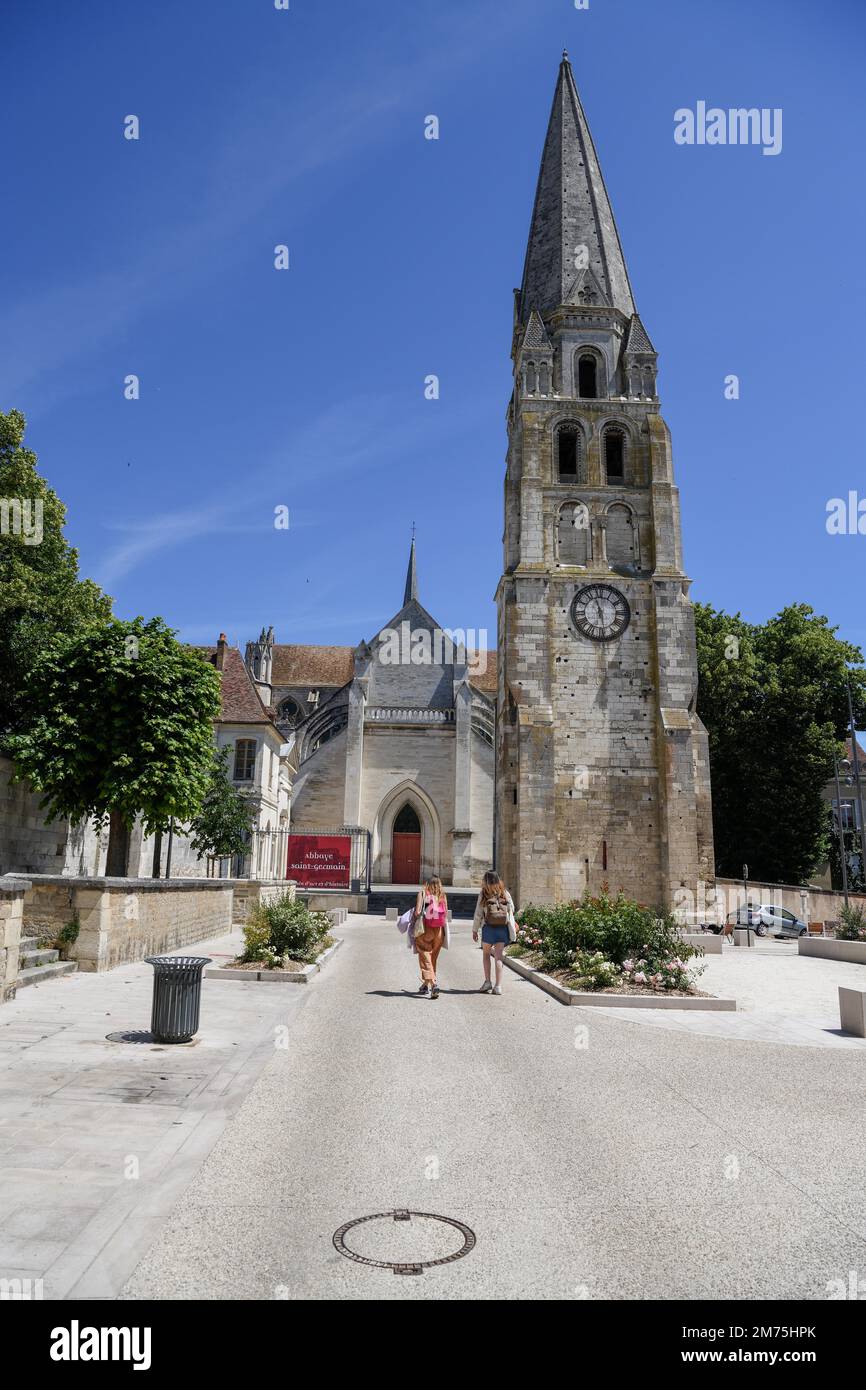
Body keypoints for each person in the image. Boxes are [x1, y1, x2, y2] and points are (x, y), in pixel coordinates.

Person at [472, 870, 516, 995]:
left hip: (488, 928)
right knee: (498, 957)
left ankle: (487, 982)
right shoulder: (504, 892)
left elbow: (478, 914)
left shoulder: (484, 893)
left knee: (486, 954)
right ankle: (498, 986)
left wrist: (475, 930)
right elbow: (512, 908)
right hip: (502, 928)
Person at [413, 877, 449, 999]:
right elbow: (446, 915)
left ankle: (433, 984)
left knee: (425, 955)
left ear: (427, 884)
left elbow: (418, 912)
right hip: (439, 931)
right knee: (432, 957)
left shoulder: (423, 893)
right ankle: (425, 985)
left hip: (426, 929)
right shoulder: (442, 895)